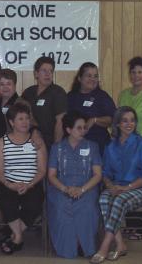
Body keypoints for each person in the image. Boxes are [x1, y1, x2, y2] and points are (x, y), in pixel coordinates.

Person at [90, 106, 142, 264]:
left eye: (132, 120)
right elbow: (105, 173)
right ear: (117, 124)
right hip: (117, 186)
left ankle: (104, 246)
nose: (129, 124)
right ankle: (120, 244)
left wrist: (126, 188)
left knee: (119, 200)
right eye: (125, 120)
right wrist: (110, 185)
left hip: (141, 188)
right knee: (104, 199)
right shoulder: (110, 146)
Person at [47, 111, 102, 259]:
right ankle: (67, 248)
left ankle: (83, 245)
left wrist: (82, 189)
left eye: (84, 127)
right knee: (61, 208)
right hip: (61, 188)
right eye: (79, 128)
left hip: (87, 188)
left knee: (87, 208)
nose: (83, 131)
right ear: (68, 130)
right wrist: (65, 189)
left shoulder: (92, 146)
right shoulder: (56, 148)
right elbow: (51, 175)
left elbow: (97, 174)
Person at [0, 103, 47, 255]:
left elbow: (42, 170)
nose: (25, 122)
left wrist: (29, 185)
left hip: (32, 183)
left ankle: (15, 235)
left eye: (27, 119)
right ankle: (18, 236)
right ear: (11, 122)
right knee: (7, 200)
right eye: (20, 119)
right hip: (8, 184)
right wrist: (10, 185)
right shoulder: (1, 142)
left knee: (34, 204)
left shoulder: (37, 141)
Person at [68, 62, 116, 154]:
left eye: (95, 76)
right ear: (79, 78)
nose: (93, 79)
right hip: (75, 146)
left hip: (99, 146)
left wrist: (94, 120)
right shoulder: (71, 97)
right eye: (89, 76)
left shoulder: (102, 96)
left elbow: (113, 119)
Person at [21, 56, 67, 150]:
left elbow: (60, 122)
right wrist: (34, 130)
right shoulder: (28, 92)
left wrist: (56, 148)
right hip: (28, 142)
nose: (48, 74)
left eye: (50, 71)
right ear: (36, 73)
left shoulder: (58, 92)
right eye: (44, 70)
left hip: (50, 143)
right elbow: (23, 116)